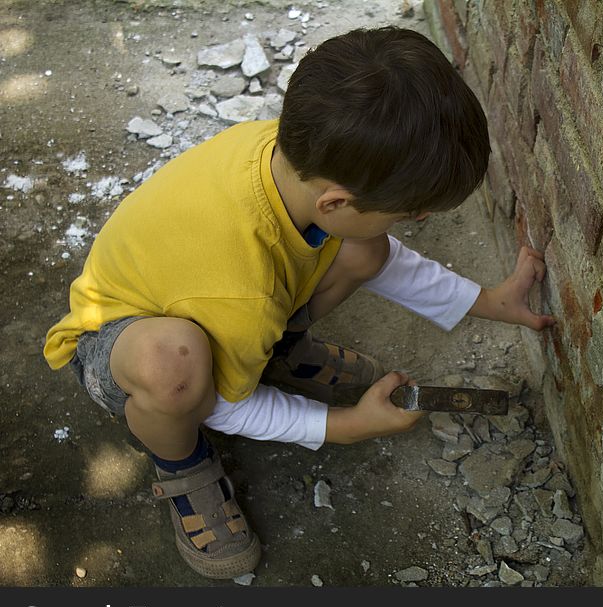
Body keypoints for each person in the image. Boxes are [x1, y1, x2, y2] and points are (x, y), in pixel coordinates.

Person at [43, 26, 554, 579]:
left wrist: (489, 301)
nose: (419, 221)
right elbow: (226, 406)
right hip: (112, 346)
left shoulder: (293, 159)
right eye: (411, 213)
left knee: (364, 247)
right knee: (177, 372)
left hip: (213, 300)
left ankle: (272, 350)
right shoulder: (241, 285)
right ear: (335, 201)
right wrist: (348, 425)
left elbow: (379, 254)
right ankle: (183, 464)